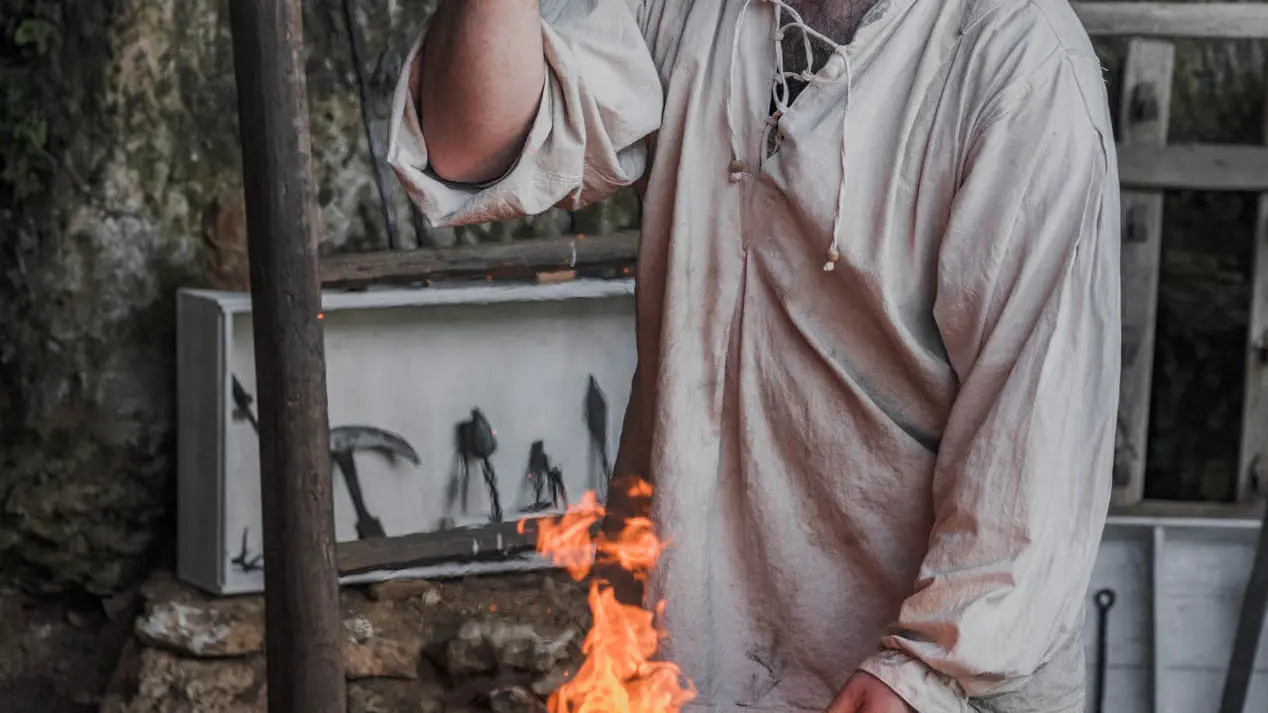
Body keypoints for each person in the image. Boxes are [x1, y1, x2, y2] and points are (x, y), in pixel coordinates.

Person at [387, 1, 1121, 711]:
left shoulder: (1018, 60)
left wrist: (924, 670)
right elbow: (467, 145)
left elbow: (1035, 442)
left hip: (922, 677)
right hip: (692, 659)